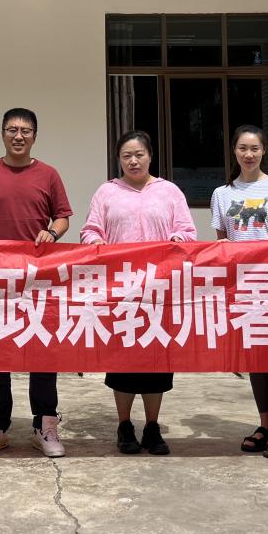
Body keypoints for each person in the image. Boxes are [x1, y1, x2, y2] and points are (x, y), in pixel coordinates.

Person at [0, 107, 73, 457]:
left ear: (35, 136)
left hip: (39, 279)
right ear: (2, 134)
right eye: (12, 129)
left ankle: (45, 425)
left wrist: (52, 233)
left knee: (42, 351)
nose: (19, 136)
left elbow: (63, 217)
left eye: (25, 130)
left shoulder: (49, 174)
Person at [80, 129, 194, 456]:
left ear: (150, 156)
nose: (133, 161)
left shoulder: (169, 191)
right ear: (118, 159)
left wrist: (178, 241)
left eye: (139, 154)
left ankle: (152, 426)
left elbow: (187, 231)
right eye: (126, 156)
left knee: (157, 360)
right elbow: (90, 230)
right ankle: (125, 425)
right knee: (123, 360)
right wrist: (96, 242)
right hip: (122, 291)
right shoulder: (107, 192)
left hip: (160, 290)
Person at [210, 125, 268, 459]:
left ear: (264, 151)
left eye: (254, 149)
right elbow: (222, 240)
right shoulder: (222, 194)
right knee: (254, 355)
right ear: (234, 151)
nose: (248, 155)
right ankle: (263, 424)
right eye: (242, 148)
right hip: (242, 286)